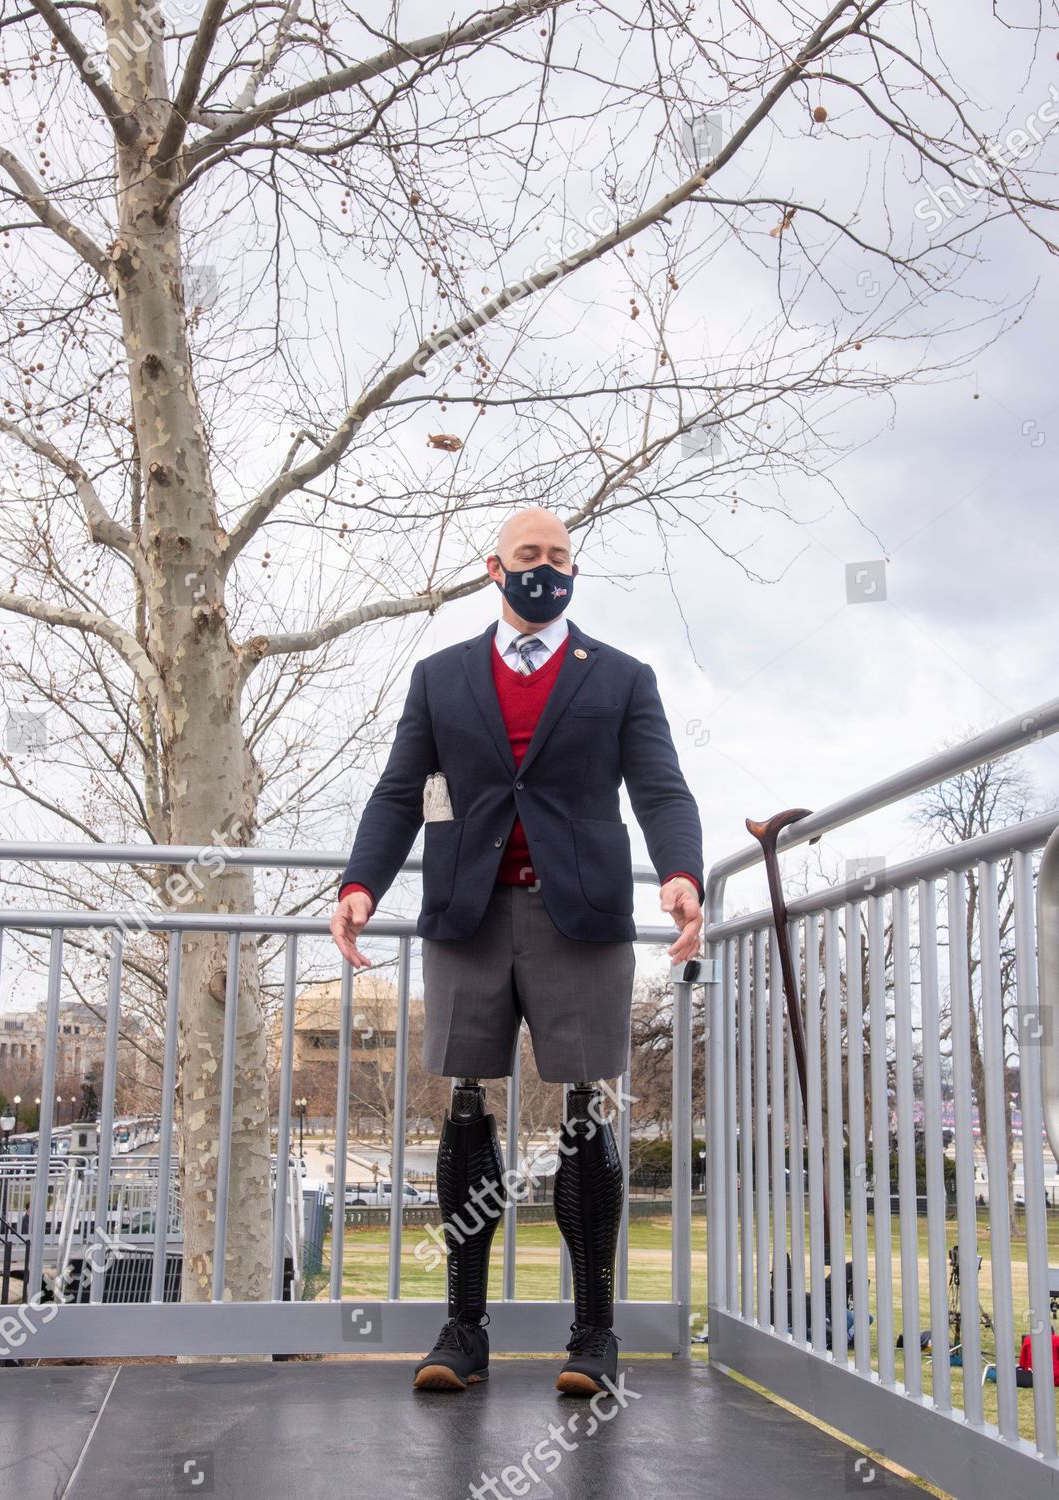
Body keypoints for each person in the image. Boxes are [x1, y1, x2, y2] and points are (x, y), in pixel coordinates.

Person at [331, 506, 704, 1395]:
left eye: (561, 557)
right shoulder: (442, 677)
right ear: (493, 570)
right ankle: (463, 1330)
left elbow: (660, 787)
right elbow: (396, 795)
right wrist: (358, 888)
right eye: (529, 556)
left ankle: (594, 1337)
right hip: (468, 912)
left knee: (585, 1113)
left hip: (583, 919)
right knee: (463, 1109)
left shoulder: (620, 676)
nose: (547, 568)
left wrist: (682, 874)